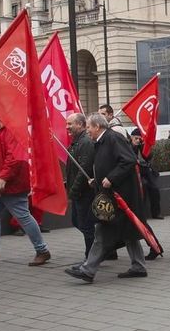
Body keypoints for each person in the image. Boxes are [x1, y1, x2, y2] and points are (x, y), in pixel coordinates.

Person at [65, 114, 152, 282]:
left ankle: (88, 270)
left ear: (97, 127)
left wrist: (111, 178)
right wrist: (96, 180)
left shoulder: (113, 138)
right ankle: (138, 266)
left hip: (121, 197)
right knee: (128, 233)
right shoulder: (102, 141)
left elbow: (129, 160)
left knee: (102, 232)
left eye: (89, 127)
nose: (87, 130)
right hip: (115, 196)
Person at [0, 113, 51, 268]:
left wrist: (4, 177)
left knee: (23, 217)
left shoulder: (10, 132)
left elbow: (14, 157)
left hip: (8, 186)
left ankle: (42, 250)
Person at [65, 113, 97, 257]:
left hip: (84, 193)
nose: (67, 127)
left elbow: (84, 169)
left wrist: (74, 190)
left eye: (70, 124)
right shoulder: (77, 142)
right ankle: (100, 247)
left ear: (80, 124)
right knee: (78, 222)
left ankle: (91, 256)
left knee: (85, 224)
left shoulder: (85, 143)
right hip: (78, 192)